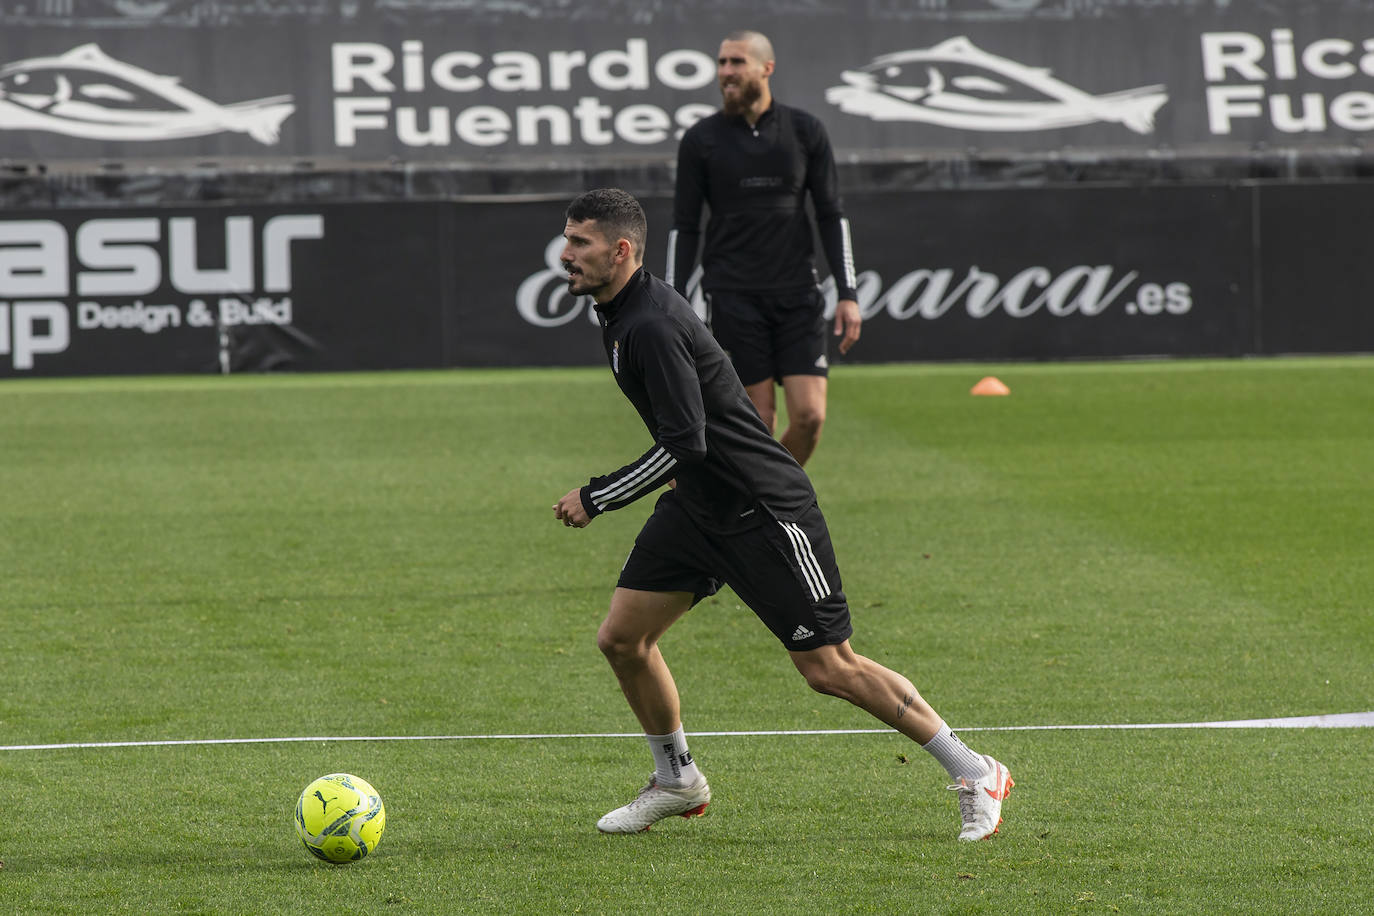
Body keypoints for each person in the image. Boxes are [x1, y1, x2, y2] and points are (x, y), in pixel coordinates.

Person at [553, 188, 1012, 841]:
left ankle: (976, 770)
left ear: (620, 251)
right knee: (623, 638)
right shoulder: (621, 309)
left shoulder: (650, 323)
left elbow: (687, 441)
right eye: (567, 239)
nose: (565, 254)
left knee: (829, 668)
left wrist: (597, 496)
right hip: (699, 507)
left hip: (762, 509)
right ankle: (678, 780)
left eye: (580, 243)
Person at [667, 29, 861, 467]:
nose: (726, 73)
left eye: (736, 62)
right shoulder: (701, 139)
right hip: (733, 296)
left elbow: (832, 215)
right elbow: (685, 226)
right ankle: (762, 511)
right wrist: (673, 301)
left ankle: (766, 499)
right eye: (721, 63)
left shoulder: (806, 130)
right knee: (759, 421)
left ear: (766, 68)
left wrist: (847, 294)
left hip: (797, 295)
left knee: (810, 417)